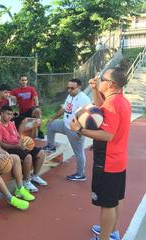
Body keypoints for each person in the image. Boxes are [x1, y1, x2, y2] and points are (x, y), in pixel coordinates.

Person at [70, 68, 131, 240]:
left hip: (107, 161)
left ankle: (105, 237)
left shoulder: (112, 104)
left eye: (102, 79)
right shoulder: (120, 99)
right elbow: (101, 111)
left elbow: (107, 135)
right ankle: (111, 231)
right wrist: (96, 90)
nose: (99, 79)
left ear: (110, 84)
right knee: (115, 199)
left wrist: (80, 130)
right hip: (118, 159)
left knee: (107, 204)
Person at [44, 78, 91, 181]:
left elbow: (88, 117)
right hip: (65, 125)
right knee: (50, 125)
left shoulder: (84, 99)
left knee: (78, 152)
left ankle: (80, 174)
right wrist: (53, 117)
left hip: (74, 129)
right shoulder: (70, 95)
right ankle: (51, 147)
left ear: (79, 87)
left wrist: (80, 130)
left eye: (72, 88)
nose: (69, 90)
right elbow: (64, 109)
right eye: (68, 87)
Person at [0, 105, 47, 193]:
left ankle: (35, 176)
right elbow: (1, 144)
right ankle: (26, 181)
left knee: (41, 153)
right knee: (28, 157)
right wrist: (17, 146)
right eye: (7, 114)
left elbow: (17, 137)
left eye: (11, 114)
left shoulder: (11, 123)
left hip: (18, 145)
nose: (9, 116)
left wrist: (24, 142)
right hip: (10, 148)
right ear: (1, 114)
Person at [10, 74, 45, 139]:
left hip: (30, 110)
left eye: (25, 80)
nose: (24, 82)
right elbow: (9, 96)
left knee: (37, 111)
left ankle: (40, 131)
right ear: (19, 81)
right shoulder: (15, 91)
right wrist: (12, 98)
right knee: (12, 116)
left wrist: (37, 106)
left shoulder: (31, 89)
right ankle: (15, 136)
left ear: (27, 81)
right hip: (21, 112)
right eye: (22, 80)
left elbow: (36, 98)